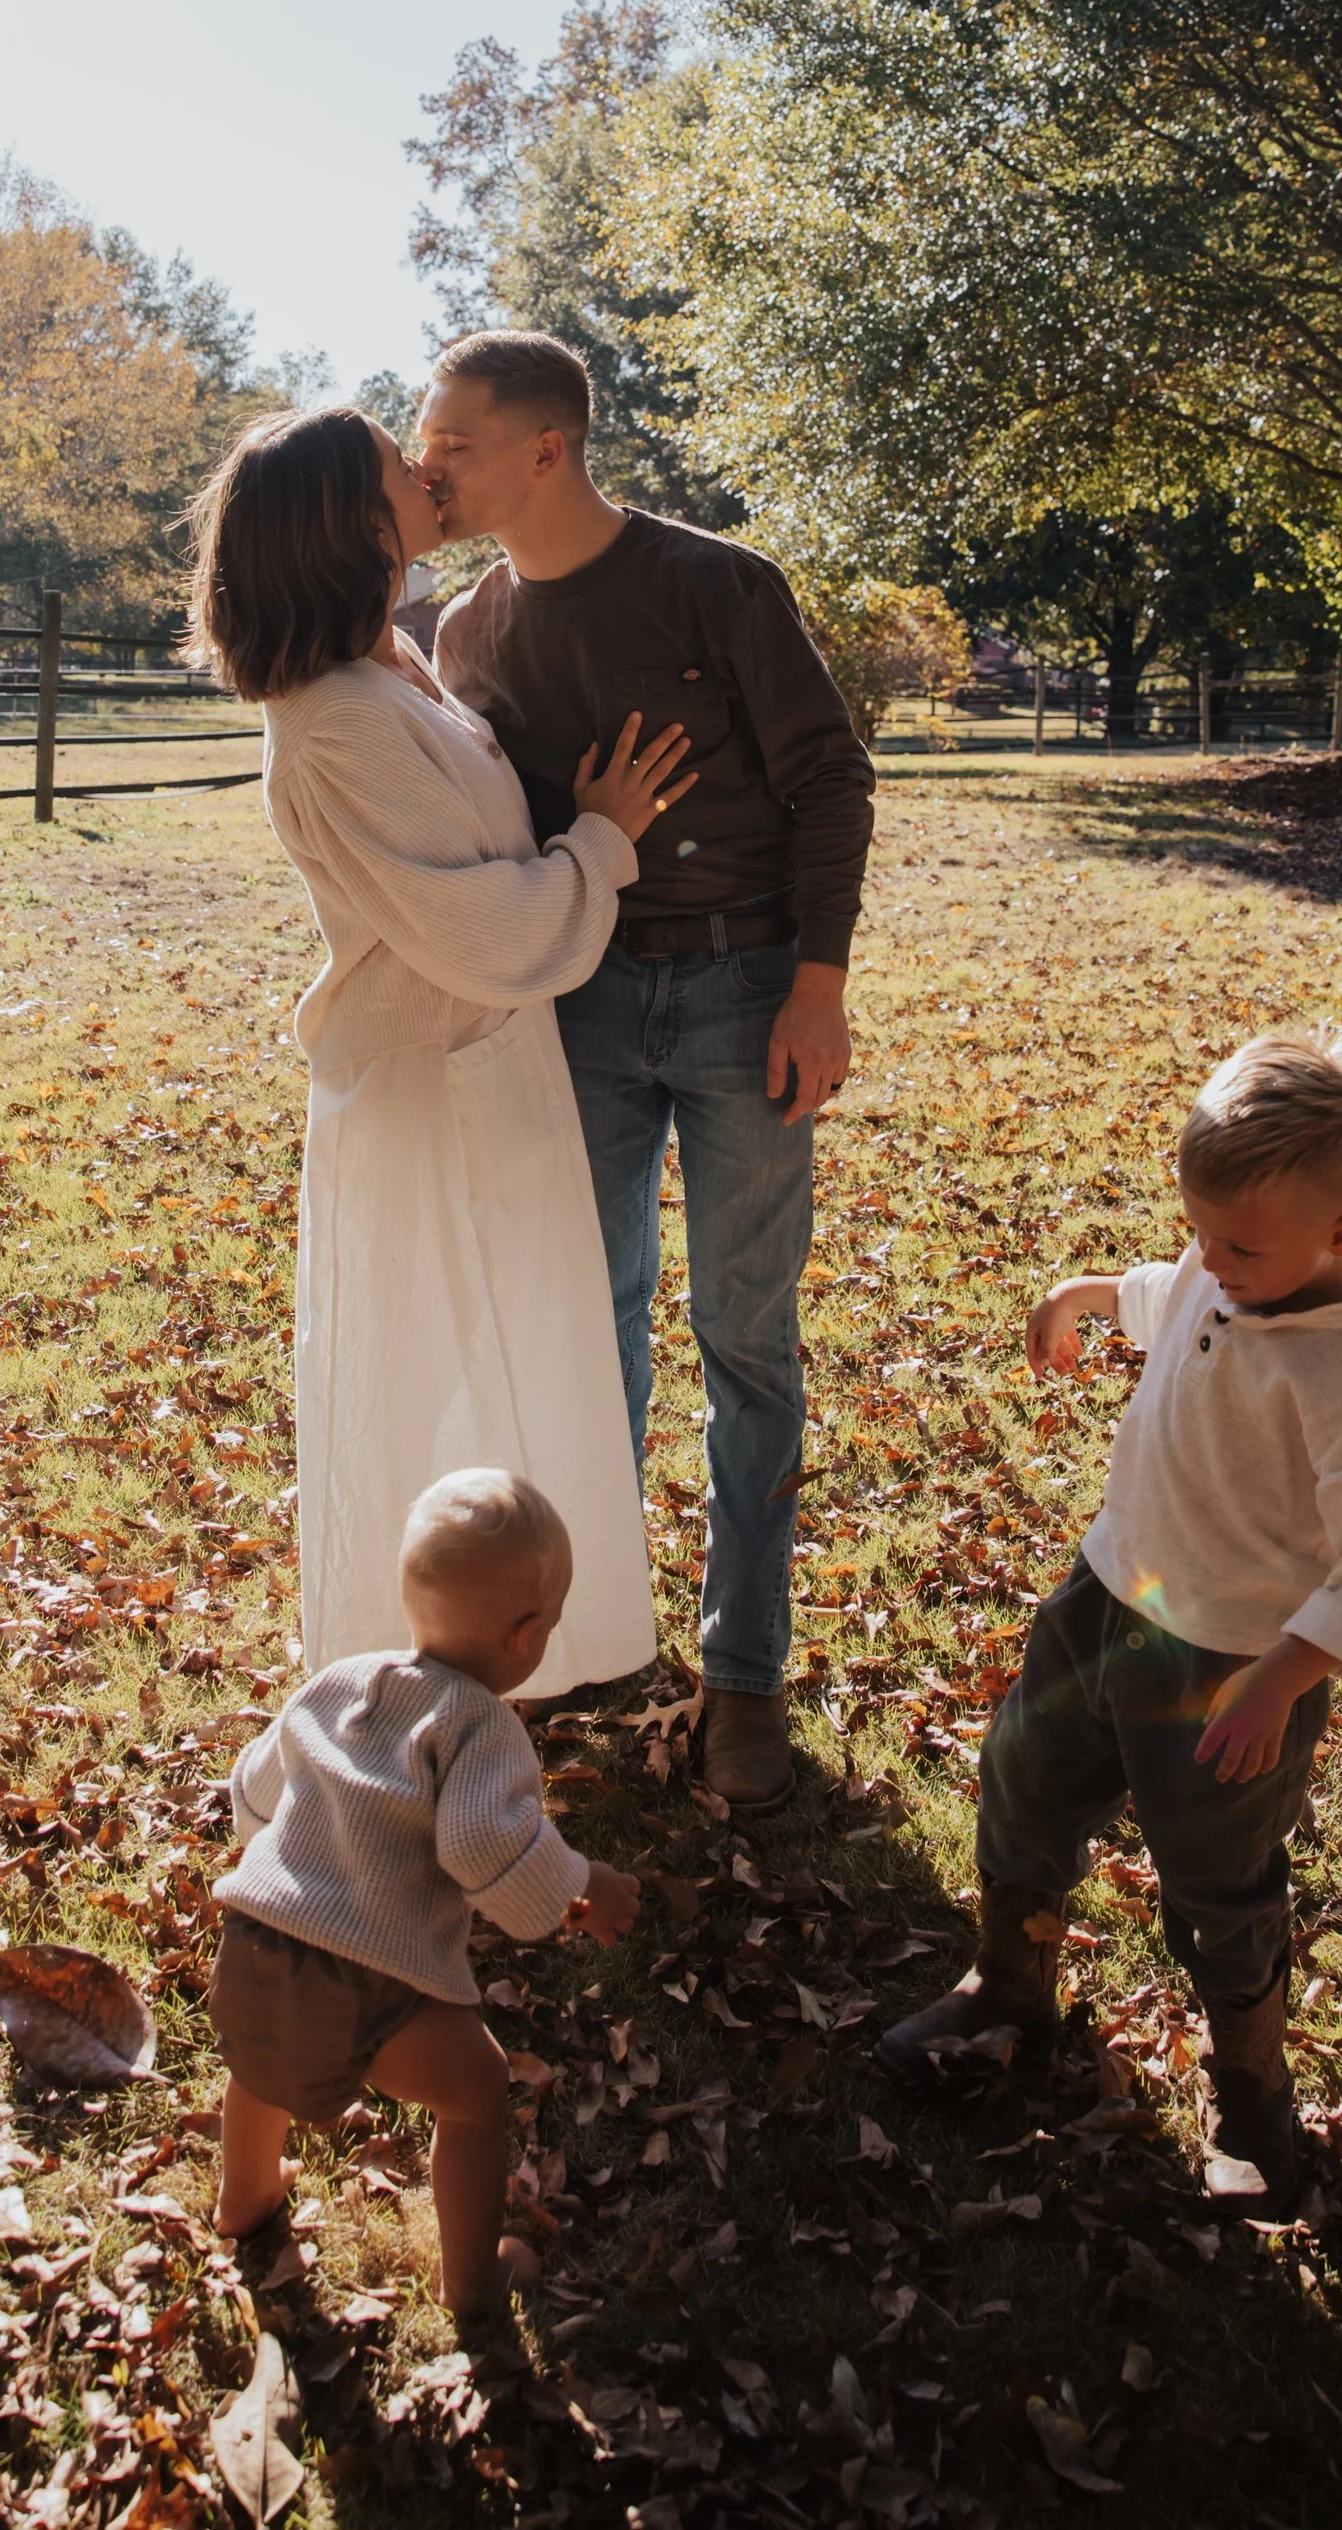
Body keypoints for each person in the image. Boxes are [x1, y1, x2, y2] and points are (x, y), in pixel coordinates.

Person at [420, 332, 876, 1811]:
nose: (432, 469)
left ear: (547, 444)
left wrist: (818, 981)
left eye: (457, 445)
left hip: (751, 993)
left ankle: (745, 1678)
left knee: (747, 1338)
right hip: (585, 1003)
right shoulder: (467, 633)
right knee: (588, 1333)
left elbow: (829, 779)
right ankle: (599, 1646)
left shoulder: (716, 583)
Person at [876, 1032, 1342, 2214]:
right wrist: (1084, 1294)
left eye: (1239, 1245)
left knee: (1216, 1873)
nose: (1212, 1262)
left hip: (1232, 1664)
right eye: (1200, 1232)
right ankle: (1008, 1986)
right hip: (1110, 1594)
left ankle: (1250, 2090)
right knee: (1023, 1774)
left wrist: (1282, 1678)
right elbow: (1171, 1294)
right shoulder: (1225, 1266)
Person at [188, 405, 693, 1698]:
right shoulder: (334, 721)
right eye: (395, 472)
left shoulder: (389, 670)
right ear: (354, 526)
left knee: (526, 1346)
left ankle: (539, 1640)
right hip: (423, 1091)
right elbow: (482, 929)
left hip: (491, 1074)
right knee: (427, 1368)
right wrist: (601, 839)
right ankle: (403, 1677)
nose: (425, 475)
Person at [209, 1467, 644, 2318]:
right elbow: (489, 1846)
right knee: (477, 2093)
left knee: (258, 2067)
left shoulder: (337, 1681)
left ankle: (245, 2200)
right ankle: (475, 2287)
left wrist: (280, 1858)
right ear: (526, 1638)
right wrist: (580, 1890)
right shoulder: (481, 1726)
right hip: (365, 1987)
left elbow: (258, 1789)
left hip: (254, 1943)